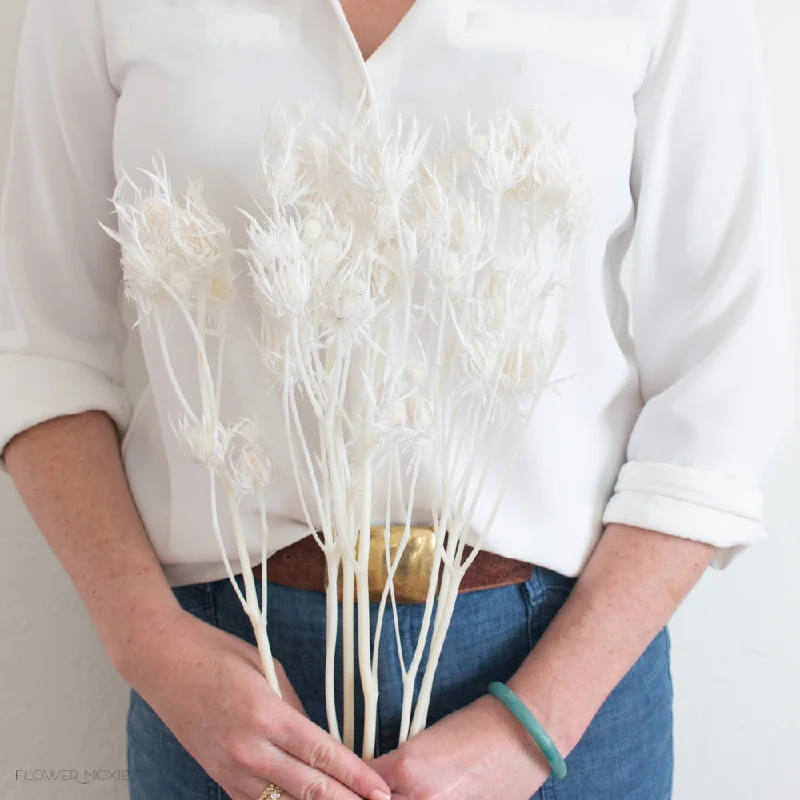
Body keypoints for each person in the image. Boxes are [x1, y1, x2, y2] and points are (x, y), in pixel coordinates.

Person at [0, 0, 792, 798]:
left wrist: (534, 724)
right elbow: (38, 343)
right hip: (222, 693)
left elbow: (725, 374)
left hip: (562, 681)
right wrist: (148, 642)